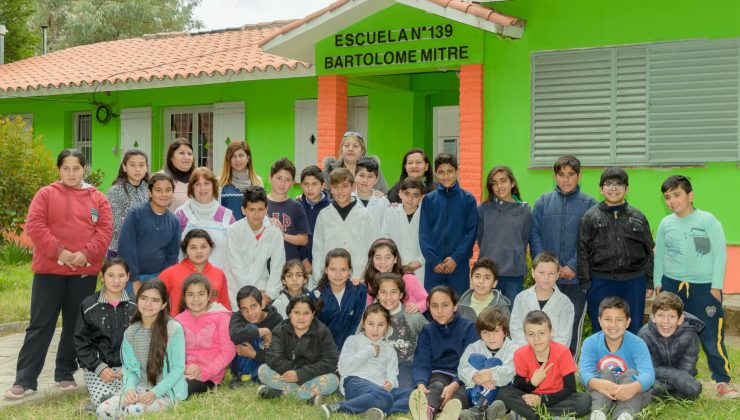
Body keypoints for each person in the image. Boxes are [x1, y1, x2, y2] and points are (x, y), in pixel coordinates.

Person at [5, 149, 113, 400]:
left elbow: (105, 231)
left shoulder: (98, 198)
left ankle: (65, 371)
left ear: (84, 169)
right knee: (41, 324)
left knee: (75, 324)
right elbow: (35, 225)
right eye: (66, 168)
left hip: (84, 272)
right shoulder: (46, 194)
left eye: (76, 168)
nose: (71, 173)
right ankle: (25, 378)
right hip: (49, 270)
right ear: (59, 170)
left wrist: (85, 255)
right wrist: (61, 253)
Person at [654, 175, 737, 398]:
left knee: (711, 334)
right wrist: (658, 284)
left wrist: (716, 287)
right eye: (668, 197)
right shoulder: (666, 223)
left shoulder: (708, 221)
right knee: (670, 333)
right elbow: (659, 254)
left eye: (677, 195)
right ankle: (675, 377)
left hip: (704, 287)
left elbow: (720, 256)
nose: (672, 201)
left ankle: (722, 380)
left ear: (690, 196)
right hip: (672, 285)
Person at [529, 155, 597, 356]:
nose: (565, 179)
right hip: (547, 280)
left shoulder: (589, 204)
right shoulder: (543, 202)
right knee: (544, 322)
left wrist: (573, 266)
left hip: (576, 279)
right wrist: (546, 268)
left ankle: (567, 368)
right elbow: (535, 234)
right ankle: (543, 366)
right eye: (561, 175)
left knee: (572, 322)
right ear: (554, 176)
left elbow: (590, 240)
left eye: (571, 175)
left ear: (579, 176)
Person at [578, 167, 654, 334]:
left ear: (626, 189)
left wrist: (649, 282)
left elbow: (648, 250)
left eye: (619, 184)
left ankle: (630, 360)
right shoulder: (590, 217)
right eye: (609, 184)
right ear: (601, 189)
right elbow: (582, 251)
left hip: (634, 282)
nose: (614, 188)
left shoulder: (638, 217)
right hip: (600, 281)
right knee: (602, 329)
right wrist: (586, 283)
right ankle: (605, 360)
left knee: (633, 328)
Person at [96, 280, 187, 417]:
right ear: (137, 301)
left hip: (167, 391)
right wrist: (130, 389)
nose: (148, 304)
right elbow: (130, 368)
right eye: (144, 298)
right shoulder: (131, 332)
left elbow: (178, 368)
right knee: (103, 410)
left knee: (133, 411)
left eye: (155, 300)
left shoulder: (173, 328)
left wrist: (155, 393)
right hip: (140, 388)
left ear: (164, 305)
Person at [322, 304, 411, 419]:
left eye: (381, 325)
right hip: (355, 382)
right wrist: (369, 351)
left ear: (387, 326)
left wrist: (390, 382)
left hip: (380, 388)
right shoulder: (353, 340)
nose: (375, 329)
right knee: (385, 397)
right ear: (363, 324)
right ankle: (337, 407)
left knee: (413, 395)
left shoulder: (389, 349)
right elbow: (343, 369)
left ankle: (378, 412)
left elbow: (392, 373)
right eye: (371, 324)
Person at [497, 311, 590, 420]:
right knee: (501, 392)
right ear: (526, 336)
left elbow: (570, 388)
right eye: (531, 334)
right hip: (530, 397)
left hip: (557, 398)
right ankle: (544, 415)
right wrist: (533, 383)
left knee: (585, 400)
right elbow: (519, 387)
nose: (536, 338)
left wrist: (542, 400)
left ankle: (529, 413)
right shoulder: (520, 354)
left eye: (542, 333)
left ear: (551, 333)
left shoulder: (563, 352)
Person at [74, 258, 137, 408]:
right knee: (106, 402)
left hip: (128, 368)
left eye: (121, 276)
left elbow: (142, 340)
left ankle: (110, 403)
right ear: (102, 276)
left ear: (128, 277)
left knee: (131, 399)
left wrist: (129, 366)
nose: (116, 281)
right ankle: (101, 402)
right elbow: (81, 342)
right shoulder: (89, 305)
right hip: (98, 369)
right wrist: (98, 367)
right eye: (110, 275)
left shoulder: (136, 306)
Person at [579, 297, 654, 420]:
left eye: (619, 320)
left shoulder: (638, 343)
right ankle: (598, 413)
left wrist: (632, 388)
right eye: (607, 319)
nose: (613, 325)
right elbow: (583, 372)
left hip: (630, 393)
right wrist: (597, 383)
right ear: (600, 321)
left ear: (628, 322)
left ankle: (624, 415)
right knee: (604, 373)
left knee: (632, 374)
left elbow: (649, 374)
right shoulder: (590, 342)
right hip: (601, 391)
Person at [409, 286, 478, 420]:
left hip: (465, 375)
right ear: (429, 307)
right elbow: (421, 362)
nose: (439, 311)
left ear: (455, 306)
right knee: (435, 387)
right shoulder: (427, 331)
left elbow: (471, 362)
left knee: (462, 394)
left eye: (445, 305)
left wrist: (455, 383)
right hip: (440, 374)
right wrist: (421, 384)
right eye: (434, 306)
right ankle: (425, 413)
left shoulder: (469, 328)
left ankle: (449, 414)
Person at [257, 295, 339, 403]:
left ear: (313, 315)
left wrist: (301, 374)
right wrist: (293, 373)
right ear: (290, 313)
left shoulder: (322, 332)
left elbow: (330, 361)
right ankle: (306, 396)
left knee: (333, 380)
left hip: (312, 377)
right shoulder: (280, 330)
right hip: (287, 375)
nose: (301, 317)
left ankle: (281, 393)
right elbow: (273, 357)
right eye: (296, 313)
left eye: (306, 313)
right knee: (263, 370)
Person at [419, 153, 477, 296]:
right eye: (441, 172)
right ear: (435, 174)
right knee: (433, 305)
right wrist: (434, 260)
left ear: (457, 171)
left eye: (450, 171)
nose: (446, 176)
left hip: (458, 265)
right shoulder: (429, 200)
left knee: (458, 305)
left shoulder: (468, 199)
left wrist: (455, 258)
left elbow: (471, 232)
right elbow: (424, 233)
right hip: (434, 267)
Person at [118, 172, 181, 295]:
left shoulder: (174, 221)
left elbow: (172, 256)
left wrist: (161, 280)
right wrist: (134, 279)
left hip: (158, 278)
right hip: (132, 277)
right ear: (150, 192)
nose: (163, 194)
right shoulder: (136, 214)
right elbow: (126, 248)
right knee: (133, 312)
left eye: (168, 190)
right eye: (158, 190)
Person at [477, 165, 531, 303]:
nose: (499, 186)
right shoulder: (483, 209)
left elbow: (524, 240)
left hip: (514, 273)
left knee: (510, 317)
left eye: (503, 181)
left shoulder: (524, 210)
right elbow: (481, 238)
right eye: (494, 183)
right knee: (488, 318)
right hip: (488, 273)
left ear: (512, 183)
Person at [312, 168, 377, 281]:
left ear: (353, 187)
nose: (340, 191)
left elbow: (372, 249)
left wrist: (365, 276)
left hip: (358, 276)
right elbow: (318, 250)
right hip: (330, 278)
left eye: (345, 186)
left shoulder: (365, 215)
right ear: (330, 189)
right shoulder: (323, 215)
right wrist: (319, 277)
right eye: (335, 187)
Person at [175, 274, 235, 395]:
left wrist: (203, 373)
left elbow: (228, 352)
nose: (196, 299)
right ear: (184, 297)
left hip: (209, 377)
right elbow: (172, 352)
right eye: (190, 294)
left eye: (201, 294)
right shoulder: (177, 321)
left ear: (209, 296)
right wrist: (185, 368)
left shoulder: (222, 317)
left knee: (182, 388)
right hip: (183, 372)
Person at [226, 186, 285, 308]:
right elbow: (237, 268)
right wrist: (253, 296)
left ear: (266, 209)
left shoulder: (274, 232)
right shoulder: (234, 231)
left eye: (260, 209)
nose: (256, 214)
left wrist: (269, 295)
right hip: (237, 291)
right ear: (243, 210)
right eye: (251, 209)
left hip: (264, 293)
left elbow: (278, 267)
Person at [638, 291, 703, 400]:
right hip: (656, 377)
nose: (666, 322)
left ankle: (668, 393)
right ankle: (672, 393)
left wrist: (681, 379)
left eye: (672, 316)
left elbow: (688, 369)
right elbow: (650, 370)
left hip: (682, 376)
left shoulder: (690, 334)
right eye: (660, 315)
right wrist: (676, 377)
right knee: (651, 388)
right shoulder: (644, 335)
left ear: (680, 319)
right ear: (653, 317)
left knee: (694, 388)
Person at [457, 307, 517, 420]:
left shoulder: (513, 348)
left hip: (500, 389)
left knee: (504, 392)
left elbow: (511, 370)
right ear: (480, 334)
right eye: (485, 332)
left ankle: (480, 411)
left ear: (505, 331)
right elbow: (462, 368)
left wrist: (490, 374)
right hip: (475, 390)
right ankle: (477, 412)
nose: (491, 337)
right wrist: (476, 376)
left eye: (496, 331)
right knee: (462, 392)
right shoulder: (474, 347)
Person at [175, 167, 235, 271]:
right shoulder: (181, 214)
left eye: (207, 183)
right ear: (192, 188)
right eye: (197, 184)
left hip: (219, 280)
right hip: (188, 281)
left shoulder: (227, 216)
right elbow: (173, 251)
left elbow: (235, 251)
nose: (202, 188)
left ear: (213, 186)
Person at [159, 229, 231, 316]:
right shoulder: (171, 273)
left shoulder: (219, 274)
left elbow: (225, 307)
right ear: (185, 250)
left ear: (210, 248)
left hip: (212, 327)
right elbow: (154, 297)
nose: (199, 251)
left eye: (203, 247)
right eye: (193, 247)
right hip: (179, 326)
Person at [374, 273, 427, 389]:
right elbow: (358, 339)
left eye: (393, 292)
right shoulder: (370, 315)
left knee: (405, 392)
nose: (388, 297)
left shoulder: (413, 317)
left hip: (404, 365)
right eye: (383, 292)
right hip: (377, 364)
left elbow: (430, 338)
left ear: (401, 294)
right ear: (377, 295)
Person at [509, 253, 574, 348]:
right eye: (541, 272)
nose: (546, 277)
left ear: (557, 275)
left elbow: (563, 338)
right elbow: (516, 330)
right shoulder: (521, 298)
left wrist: (545, 355)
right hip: (525, 354)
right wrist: (530, 353)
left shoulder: (565, 304)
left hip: (553, 357)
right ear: (533, 273)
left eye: (551, 273)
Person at [313, 248, 367, 351]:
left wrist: (348, 348)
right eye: (333, 269)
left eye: (343, 269)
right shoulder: (315, 295)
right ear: (326, 270)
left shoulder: (359, 290)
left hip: (353, 349)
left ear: (350, 270)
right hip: (326, 351)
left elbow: (358, 321)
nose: (338, 274)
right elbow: (316, 329)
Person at [228, 286, 283, 388]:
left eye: (253, 306)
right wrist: (264, 331)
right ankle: (245, 378)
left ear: (262, 304)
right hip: (241, 362)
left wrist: (254, 354)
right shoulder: (237, 317)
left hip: (264, 359)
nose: (250, 313)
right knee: (248, 329)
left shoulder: (276, 319)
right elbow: (234, 335)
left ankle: (258, 377)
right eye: (244, 309)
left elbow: (278, 353)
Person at [363, 238, 427, 313]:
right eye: (378, 257)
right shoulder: (371, 280)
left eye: (388, 257)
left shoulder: (408, 278)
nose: (383, 262)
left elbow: (427, 300)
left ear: (395, 259)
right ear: (372, 259)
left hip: (410, 320)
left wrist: (417, 307)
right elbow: (367, 307)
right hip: (386, 321)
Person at [381, 177, 426, 285]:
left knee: (418, 298)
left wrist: (420, 261)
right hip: (395, 266)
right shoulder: (390, 212)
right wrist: (392, 261)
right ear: (400, 194)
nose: (410, 199)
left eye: (415, 195)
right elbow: (385, 239)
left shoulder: (426, 214)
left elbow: (431, 242)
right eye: (407, 194)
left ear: (421, 197)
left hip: (419, 267)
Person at [107, 148, 150, 257]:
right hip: (119, 250)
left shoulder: (150, 188)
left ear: (146, 168)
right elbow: (115, 224)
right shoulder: (115, 191)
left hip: (146, 249)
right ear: (124, 167)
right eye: (132, 165)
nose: (137, 169)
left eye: (141, 165)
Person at [267, 158, 309, 262]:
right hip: (265, 263)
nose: (283, 183)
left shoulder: (297, 206)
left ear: (293, 182)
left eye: (288, 180)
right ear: (270, 177)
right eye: (279, 178)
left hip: (289, 264)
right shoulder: (260, 204)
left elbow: (304, 240)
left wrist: (282, 235)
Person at [296, 165, 331, 288]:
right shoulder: (296, 206)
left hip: (324, 265)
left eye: (314, 184)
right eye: (306, 184)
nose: (310, 188)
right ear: (301, 185)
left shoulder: (331, 208)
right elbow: (295, 235)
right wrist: (304, 259)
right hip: (300, 264)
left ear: (323, 186)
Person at [323, 131, 388, 193]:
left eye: (355, 146)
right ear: (341, 150)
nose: (350, 149)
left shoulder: (372, 169)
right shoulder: (330, 170)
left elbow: (384, 194)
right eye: (347, 145)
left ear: (362, 151)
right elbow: (324, 196)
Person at [219, 140, 263, 221]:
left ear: (248, 158)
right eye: (233, 156)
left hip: (252, 232)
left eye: (241, 155)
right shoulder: (220, 183)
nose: (237, 160)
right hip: (228, 232)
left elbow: (262, 211)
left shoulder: (257, 182)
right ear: (229, 159)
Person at [459, 257, 511, 322]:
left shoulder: (502, 306)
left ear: (494, 283)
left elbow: (505, 331)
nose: (481, 281)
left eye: (487, 278)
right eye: (477, 276)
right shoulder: (461, 304)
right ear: (471, 279)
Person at [353, 157, 390, 234]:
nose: (365, 180)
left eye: (370, 176)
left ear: (376, 180)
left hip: (376, 245)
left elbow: (387, 231)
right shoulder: (348, 200)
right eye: (361, 175)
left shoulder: (383, 202)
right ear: (355, 177)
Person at [162, 138, 194, 211]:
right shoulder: (160, 178)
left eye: (190, 154)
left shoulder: (199, 179)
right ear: (171, 157)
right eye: (181, 153)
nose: (187, 157)